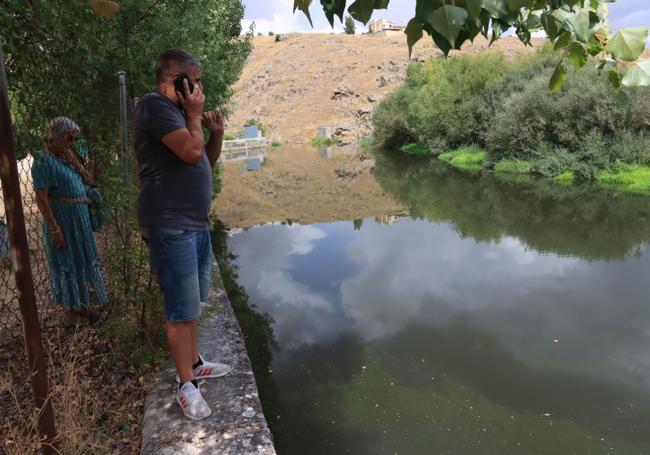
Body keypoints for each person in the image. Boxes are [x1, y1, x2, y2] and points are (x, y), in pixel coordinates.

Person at [135, 49, 229, 421]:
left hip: (193, 222)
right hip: (170, 221)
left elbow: (204, 158)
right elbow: (191, 152)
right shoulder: (154, 106)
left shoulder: (175, 114)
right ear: (178, 80)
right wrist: (193, 117)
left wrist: (215, 133)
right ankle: (185, 385)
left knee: (193, 303)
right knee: (180, 308)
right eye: (196, 79)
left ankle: (195, 362)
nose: (201, 87)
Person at [32, 117, 107, 324]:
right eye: (69, 138)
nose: (73, 143)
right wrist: (55, 229)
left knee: (81, 260)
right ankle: (70, 312)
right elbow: (41, 198)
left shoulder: (67, 157)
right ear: (55, 137)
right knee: (67, 261)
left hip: (79, 220)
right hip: (63, 221)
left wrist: (75, 162)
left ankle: (82, 306)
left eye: (75, 139)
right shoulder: (43, 160)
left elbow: (90, 181)